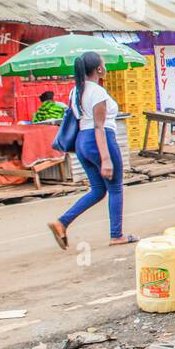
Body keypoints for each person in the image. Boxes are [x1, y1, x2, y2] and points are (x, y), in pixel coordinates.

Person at [47, 52, 136, 248]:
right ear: (98, 69)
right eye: (104, 64)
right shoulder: (97, 92)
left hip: (82, 143)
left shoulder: (76, 91)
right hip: (99, 141)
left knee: (97, 190)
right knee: (115, 188)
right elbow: (99, 127)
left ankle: (62, 222)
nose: (106, 67)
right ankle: (116, 235)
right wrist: (106, 159)